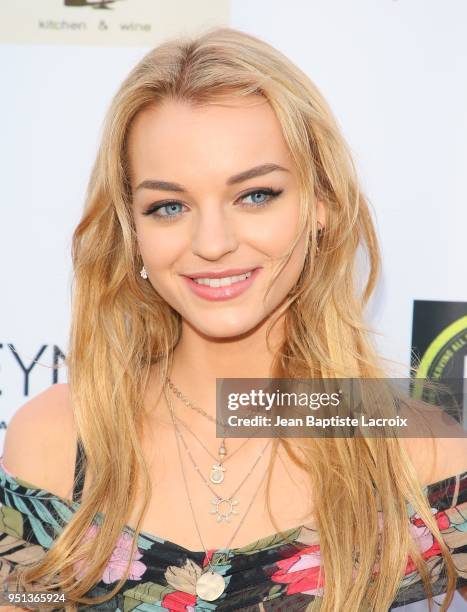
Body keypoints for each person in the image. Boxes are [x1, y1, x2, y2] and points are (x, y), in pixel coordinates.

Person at [0, 26, 466, 612]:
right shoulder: (55, 438)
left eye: (255, 195)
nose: (212, 243)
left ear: (321, 203)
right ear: (132, 231)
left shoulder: (423, 456)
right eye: (169, 206)